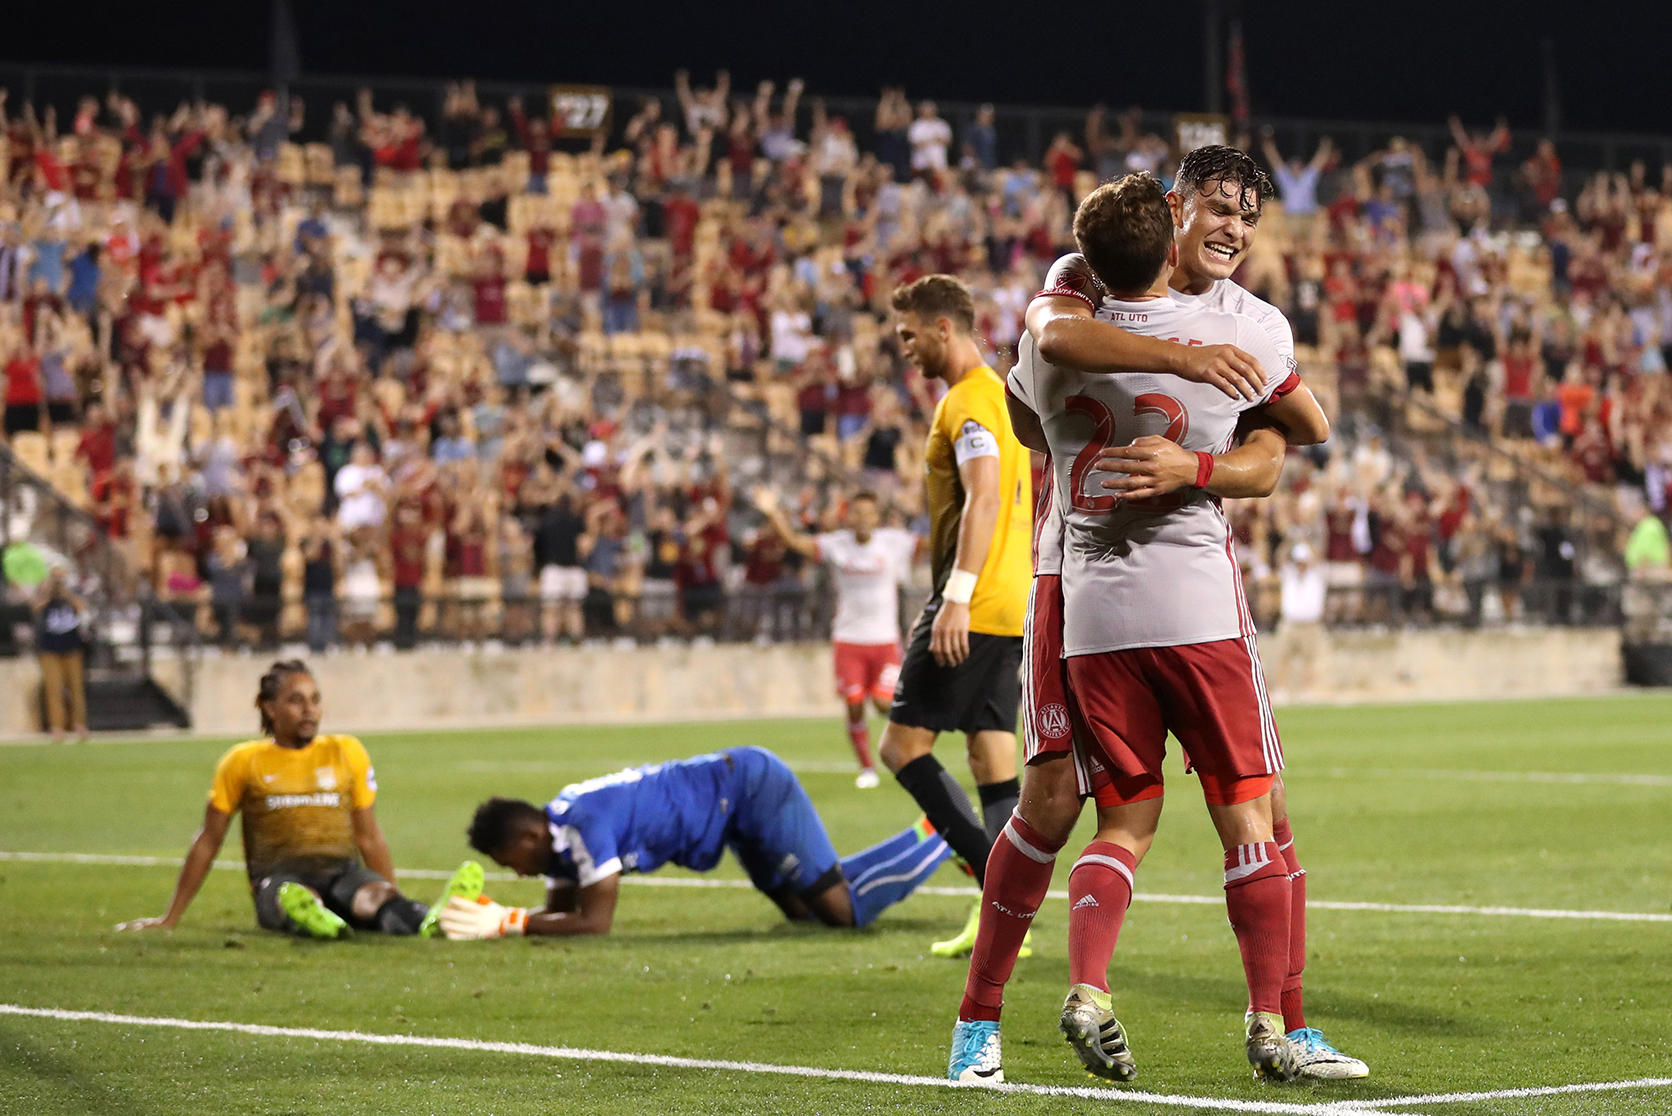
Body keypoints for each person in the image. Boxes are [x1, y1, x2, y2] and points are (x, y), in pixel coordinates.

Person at [953, 151, 1362, 1084]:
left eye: (1249, 215)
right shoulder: (1087, 282)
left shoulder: (1249, 322)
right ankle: (979, 1022)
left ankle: (1289, 1024)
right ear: (1174, 209)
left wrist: (1205, 459)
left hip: (1123, 593)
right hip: (1074, 574)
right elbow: (1054, 336)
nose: (1236, 229)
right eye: (1220, 208)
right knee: (1053, 805)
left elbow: (1288, 439)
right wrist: (1186, 367)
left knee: (1244, 808)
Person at [879, 274, 1032, 960]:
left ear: (943, 327)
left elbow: (985, 497)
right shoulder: (1002, 394)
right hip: (1010, 601)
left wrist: (958, 595)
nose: (905, 347)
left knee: (901, 748)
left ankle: (1002, 899)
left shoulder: (967, 402)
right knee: (990, 751)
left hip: (975, 603)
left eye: (909, 334)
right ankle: (1005, 923)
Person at [439, 747, 951, 939]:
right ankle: (930, 833)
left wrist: (508, 922)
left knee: (842, 912)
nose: (517, 873)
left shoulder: (582, 826)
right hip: (729, 809)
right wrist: (498, 918)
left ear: (530, 836)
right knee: (804, 910)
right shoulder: (558, 837)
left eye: (511, 862)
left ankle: (946, 832)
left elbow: (594, 924)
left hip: (750, 789)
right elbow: (558, 913)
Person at [117, 661, 456, 939]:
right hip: (278, 879)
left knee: (374, 898)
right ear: (270, 708)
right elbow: (209, 840)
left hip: (342, 874)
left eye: (315, 700)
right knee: (295, 900)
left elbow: (369, 836)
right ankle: (316, 918)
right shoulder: (243, 761)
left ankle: (422, 918)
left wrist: (391, 893)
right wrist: (170, 917)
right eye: (296, 700)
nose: (309, 710)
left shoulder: (345, 751)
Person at [754, 486, 918, 788]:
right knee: (854, 703)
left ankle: (911, 741)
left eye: (869, 513)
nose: (863, 518)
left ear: (877, 517)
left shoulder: (894, 542)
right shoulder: (835, 545)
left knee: (883, 704)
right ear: (848, 516)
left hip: (885, 641)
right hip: (848, 639)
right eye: (857, 512)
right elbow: (793, 541)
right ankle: (867, 768)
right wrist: (772, 511)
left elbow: (932, 544)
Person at [33, 567, 87, 742]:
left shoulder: (71, 594)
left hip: (72, 647)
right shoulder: (45, 595)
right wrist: (48, 592)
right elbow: (35, 607)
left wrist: (67, 594)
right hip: (50, 649)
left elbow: (82, 607)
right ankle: (57, 726)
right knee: (54, 689)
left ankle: (79, 724)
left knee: (76, 688)